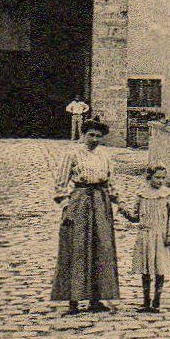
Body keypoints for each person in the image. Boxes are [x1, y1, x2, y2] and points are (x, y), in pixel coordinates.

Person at [51, 120, 120, 314]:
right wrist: (66, 207)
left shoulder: (105, 156)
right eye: (91, 135)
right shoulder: (72, 155)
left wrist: (119, 202)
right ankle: (73, 300)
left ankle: (95, 299)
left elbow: (111, 183)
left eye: (98, 136)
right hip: (79, 201)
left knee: (101, 248)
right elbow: (60, 184)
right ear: (83, 135)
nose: (95, 139)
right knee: (77, 248)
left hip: (100, 202)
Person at [119, 165, 170, 312]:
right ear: (149, 177)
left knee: (160, 268)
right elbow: (135, 217)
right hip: (145, 235)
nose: (160, 181)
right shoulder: (141, 195)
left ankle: (156, 301)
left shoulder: (168, 195)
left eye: (163, 178)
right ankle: (146, 301)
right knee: (145, 269)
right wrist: (124, 211)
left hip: (161, 235)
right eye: (157, 177)